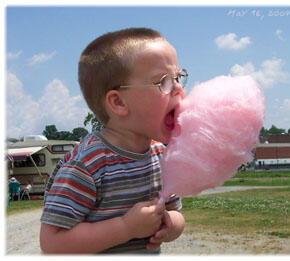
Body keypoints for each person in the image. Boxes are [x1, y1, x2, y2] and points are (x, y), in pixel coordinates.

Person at [40, 27, 186, 254]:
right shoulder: (87, 165)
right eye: (163, 81)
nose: (178, 89)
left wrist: (171, 224)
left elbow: (175, 211)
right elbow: (52, 244)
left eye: (179, 77)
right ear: (118, 103)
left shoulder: (162, 156)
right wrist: (126, 228)